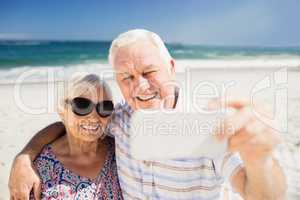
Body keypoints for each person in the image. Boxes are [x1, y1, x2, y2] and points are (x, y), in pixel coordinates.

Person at [9, 29, 286, 200]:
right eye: (126, 77)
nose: (139, 86)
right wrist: (24, 158)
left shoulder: (207, 124)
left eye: (148, 72)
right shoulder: (117, 118)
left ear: (171, 66)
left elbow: (262, 194)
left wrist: (259, 159)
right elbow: (70, 123)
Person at [29, 73, 123, 199]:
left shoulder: (120, 151)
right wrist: (23, 159)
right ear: (62, 110)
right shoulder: (39, 169)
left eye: (104, 107)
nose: (94, 117)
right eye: (82, 105)